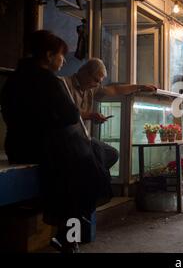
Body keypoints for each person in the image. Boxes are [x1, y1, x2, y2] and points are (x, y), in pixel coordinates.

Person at [0, 30, 111, 253]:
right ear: (49, 55)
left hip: (17, 146)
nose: (63, 61)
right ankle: (69, 235)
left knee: (90, 160)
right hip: (45, 149)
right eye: (61, 55)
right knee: (87, 169)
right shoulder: (48, 79)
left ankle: (70, 232)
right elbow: (71, 114)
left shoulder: (14, 77)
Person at [63, 58, 157, 170]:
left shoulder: (91, 89)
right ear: (84, 72)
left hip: (84, 139)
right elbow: (62, 114)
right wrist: (90, 115)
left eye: (99, 82)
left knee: (111, 154)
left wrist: (140, 87)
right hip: (67, 141)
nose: (96, 84)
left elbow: (115, 90)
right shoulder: (64, 85)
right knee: (95, 163)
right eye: (95, 80)